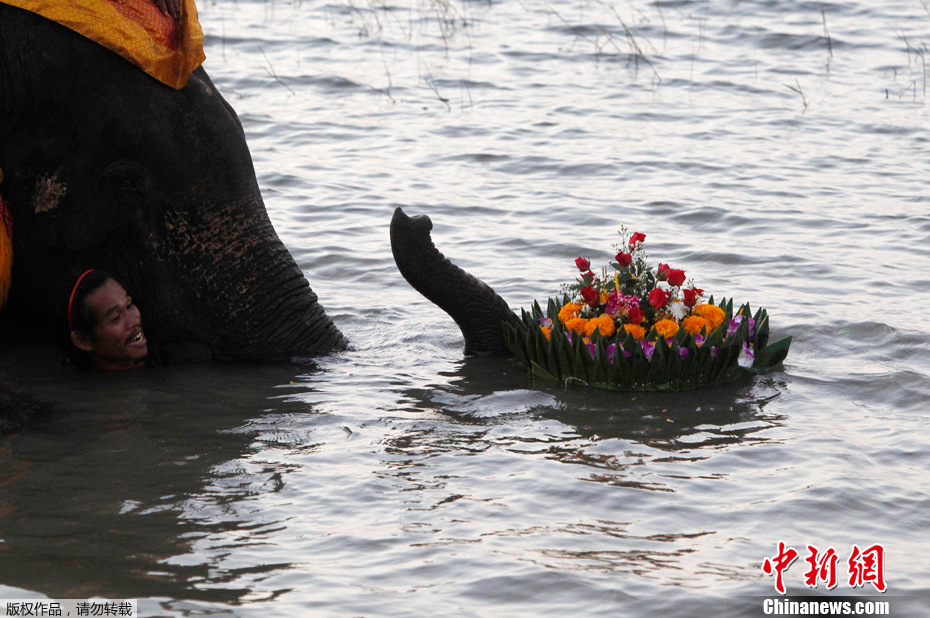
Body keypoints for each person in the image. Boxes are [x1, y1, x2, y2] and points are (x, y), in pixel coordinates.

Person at [62, 269, 149, 371]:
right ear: (83, 340)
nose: (135, 321)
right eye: (116, 317)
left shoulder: (165, 360)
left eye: (129, 305)